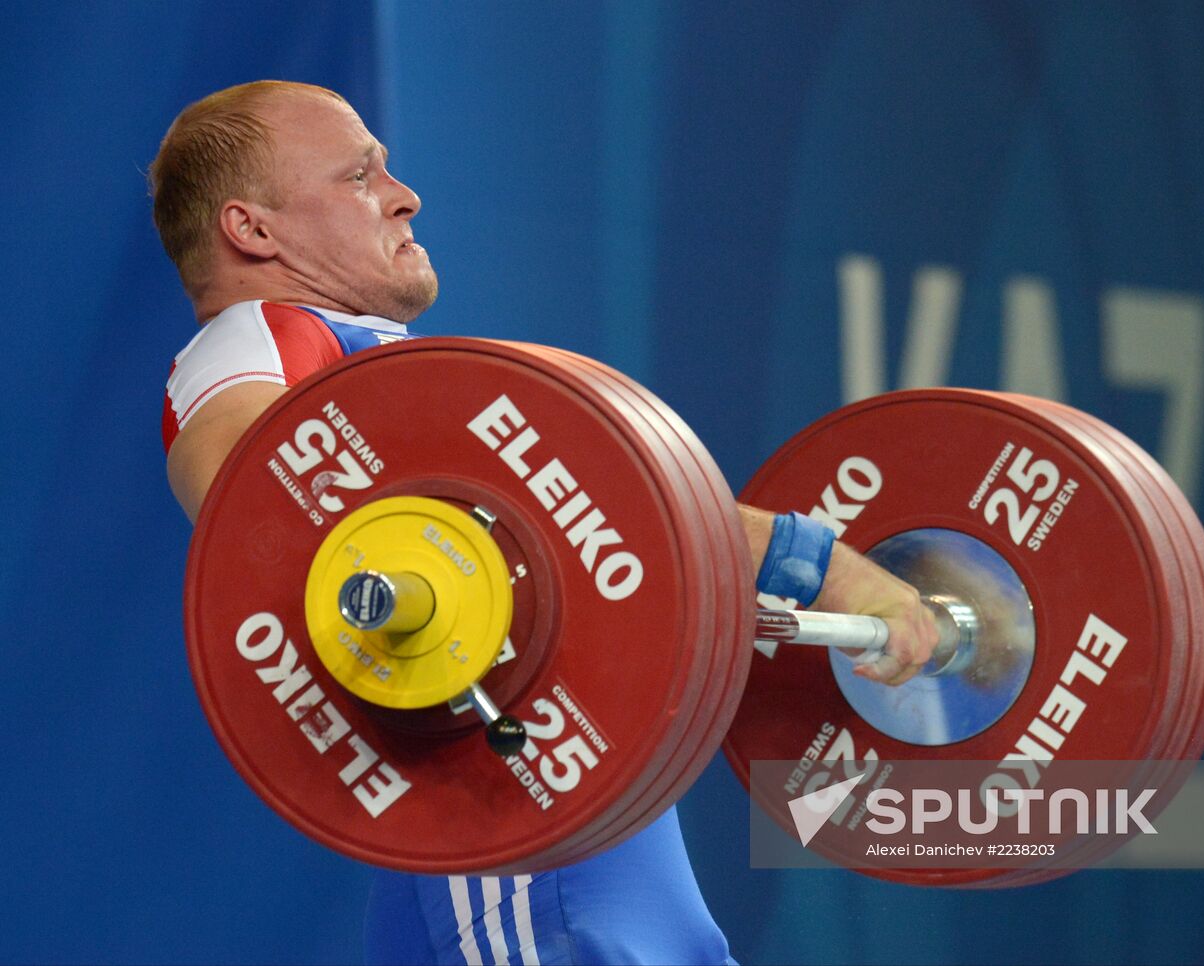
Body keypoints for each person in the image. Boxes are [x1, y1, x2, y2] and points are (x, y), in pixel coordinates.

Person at [155, 80, 938, 965]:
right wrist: (819, 564)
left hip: (559, 821)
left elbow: (607, 516)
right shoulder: (255, 337)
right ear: (252, 230)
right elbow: (245, 495)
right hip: (518, 822)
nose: (404, 194)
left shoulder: (373, 381)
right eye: (359, 174)